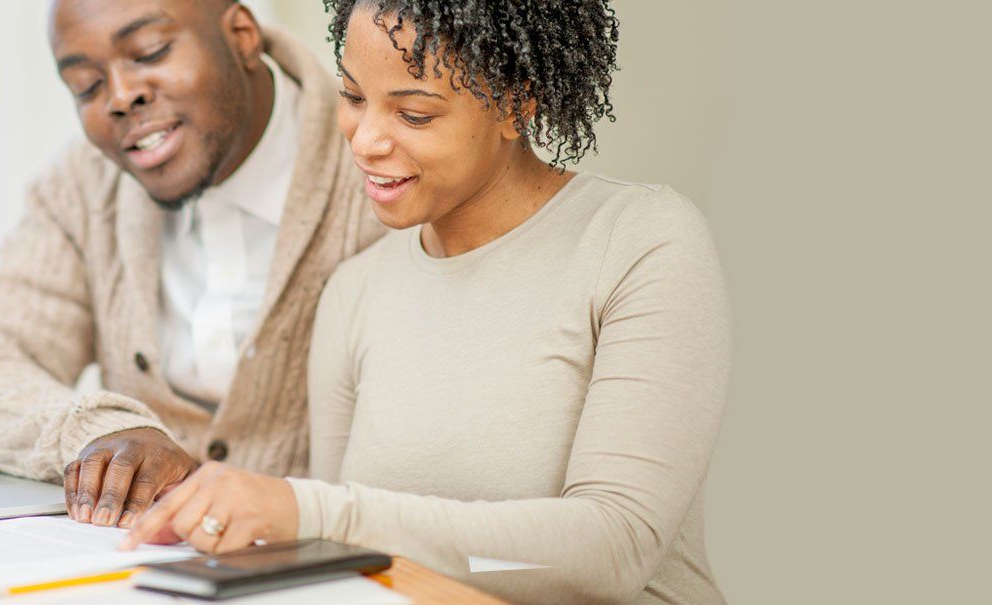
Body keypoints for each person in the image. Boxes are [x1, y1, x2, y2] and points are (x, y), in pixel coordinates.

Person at [121, 1, 730, 603]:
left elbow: (614, 551)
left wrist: (306, 510)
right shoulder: (355, 291)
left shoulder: (640, 242)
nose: (365, 142)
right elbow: (345, 566)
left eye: (413, 114)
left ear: (516, 104)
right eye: (354, 97)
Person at [0, 0, 385, 530]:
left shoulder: (380, 167)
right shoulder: (85, 183)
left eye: (150, 52)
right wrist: (99, 431)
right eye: (86, 86)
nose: (120, 97)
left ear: (242, 35)